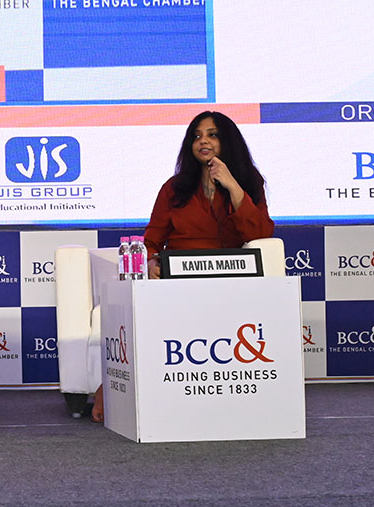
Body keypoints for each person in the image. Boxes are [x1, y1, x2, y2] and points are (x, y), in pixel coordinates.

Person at [92, 111, 274, 422]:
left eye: (212, 134)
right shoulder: (174, 187)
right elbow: (152, 239)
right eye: (197, 136)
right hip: (176, 279)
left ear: (227, 141)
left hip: (229, 279)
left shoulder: (248, 181)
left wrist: (233, 187)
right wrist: (149, 261)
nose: (203, 141)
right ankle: (116, 389)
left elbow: (259, 234)